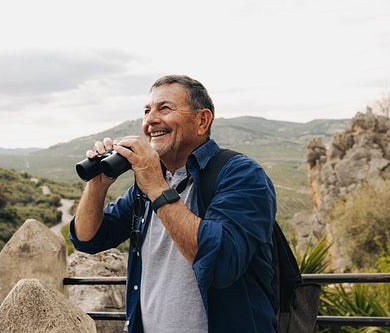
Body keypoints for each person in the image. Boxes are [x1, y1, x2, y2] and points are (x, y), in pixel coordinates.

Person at [69, 75, 277, 332]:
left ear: (202, 121)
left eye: (164, 108)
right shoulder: (147, 187)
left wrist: (155, 184)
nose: (150, 120)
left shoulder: (241, 174)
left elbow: (222, 262)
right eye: (147, 111)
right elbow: (88, 238)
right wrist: (97, 185)